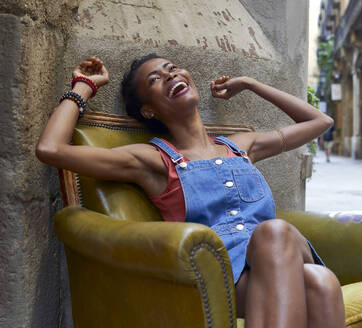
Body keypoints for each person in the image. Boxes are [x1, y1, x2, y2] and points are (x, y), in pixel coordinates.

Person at [36, 55, 345, 328]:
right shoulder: (152, 160)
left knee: (274, 233)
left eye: (172, 68)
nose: (171, 75)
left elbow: (320, 121)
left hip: (283, 255)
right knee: (321, 281)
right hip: (225, 275)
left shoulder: (240, 146)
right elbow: (51, 149)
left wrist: (250, 84)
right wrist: (82, 87)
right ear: (148, 110)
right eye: (155, 79)